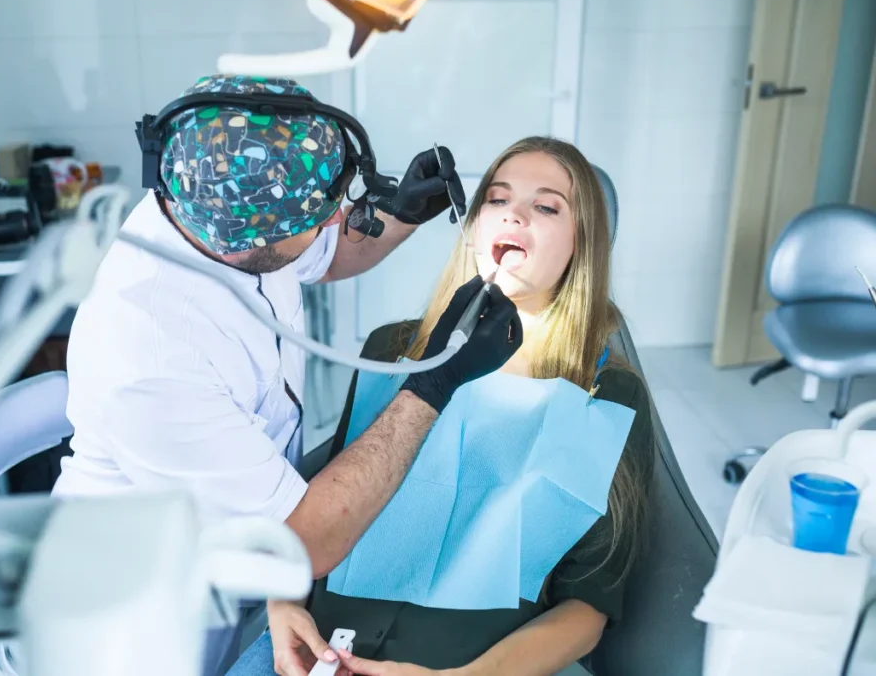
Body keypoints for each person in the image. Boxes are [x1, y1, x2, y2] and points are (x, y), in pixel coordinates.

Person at [53, 75, 523, 675]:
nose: (337, 222)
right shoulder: (152, 351)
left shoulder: (210, 204)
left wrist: (400, 213)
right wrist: (435, 380)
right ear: (251, 238)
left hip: (235, 548)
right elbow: (308, 544)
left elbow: (322, 253)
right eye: (321, 215)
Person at [227, 136, 656, 676]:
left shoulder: (606, 395)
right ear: (473, 226)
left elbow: (589, 604)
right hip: (321, 645)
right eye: (497, 199)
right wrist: (283, 599)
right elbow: (329, 505)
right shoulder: (391, 351)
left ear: (582, 244)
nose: (514, 215)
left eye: (547, 207)